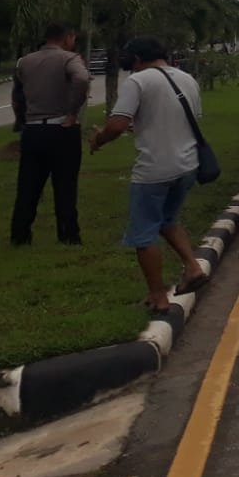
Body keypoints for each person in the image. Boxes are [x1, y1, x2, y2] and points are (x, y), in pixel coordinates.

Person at [90, 37, 210, 313]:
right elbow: (178, 119)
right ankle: (192, 268)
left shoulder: (138, 81)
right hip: (187, 166)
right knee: (168, 220)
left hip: (155, 169)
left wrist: (99, 139)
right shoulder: (187, 79)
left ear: (136, 59)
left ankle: (158, 296)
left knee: (144, 234)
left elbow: (118, 124)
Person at [10, 21, 91, 245]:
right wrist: (73, 111)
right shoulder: (69, 58)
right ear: (68, 38)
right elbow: (82, 79)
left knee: (28, 186)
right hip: (62, 128)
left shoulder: (25, 61)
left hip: (33, 129)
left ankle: (20, 234)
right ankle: (68, 235)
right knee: (65, 185)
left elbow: (17, 95)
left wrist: (21, 120)